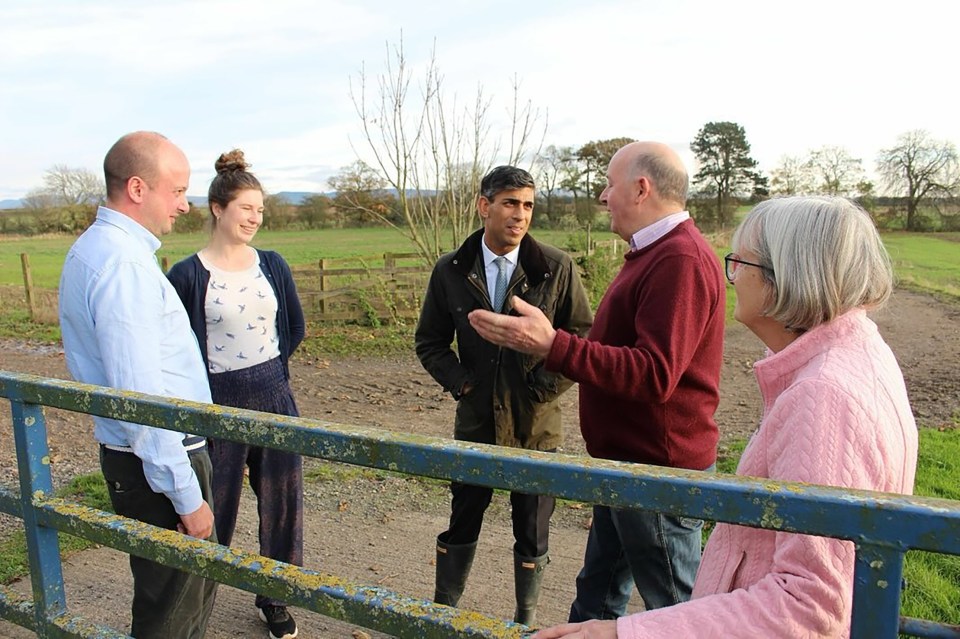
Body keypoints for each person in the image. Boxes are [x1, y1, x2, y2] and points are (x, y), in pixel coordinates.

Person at [527, 196, 920, 639]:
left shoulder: (823, 395)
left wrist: (626, 634)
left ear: (783, 277)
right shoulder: (854, 355)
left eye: (740, 262)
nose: (731, 277)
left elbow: (811, 606)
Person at [468, 141, 725, 620]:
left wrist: (552, 346)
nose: (604, 196)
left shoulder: (679, 260)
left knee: (675, 611)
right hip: (627, 467)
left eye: (610, 184)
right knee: (597, 596)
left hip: (656, 473)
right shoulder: (654, 253)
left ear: (642, 188)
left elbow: (655, 374)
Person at [415, 165, 593, 626]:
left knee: (533, 532)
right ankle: (444, 616)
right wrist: (463, 383)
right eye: (510, 203)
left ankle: (525, 621)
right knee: (463, 520)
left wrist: (541, 389)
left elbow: (580, 339)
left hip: (536, 427)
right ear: (484, 206)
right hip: (475, 423)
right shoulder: (452, 270)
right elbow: (429, 342)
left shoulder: (555, 267)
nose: (520, 215)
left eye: (528, 205)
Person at [58, 131, 217, 639]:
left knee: (173, 597)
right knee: (173, 609)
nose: (185, 205)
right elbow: (141, 398)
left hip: (144, 457)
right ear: (137, 188)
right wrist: (186, 497)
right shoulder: (123, 264)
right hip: (161, 460)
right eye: (177, 191)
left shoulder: (98, 249)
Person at [167, 149, 305, 639]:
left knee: (282, 504)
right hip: (215, 402)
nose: (255, 218)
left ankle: (276, 597)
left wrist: (272, 376)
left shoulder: (272, 263)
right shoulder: (186, 274)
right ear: (217, 208)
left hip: (274, 393)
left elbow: (292, 327)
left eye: (261, 210)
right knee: (213, 506)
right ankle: (195, 601)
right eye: (247, 207)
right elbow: (176, 347)